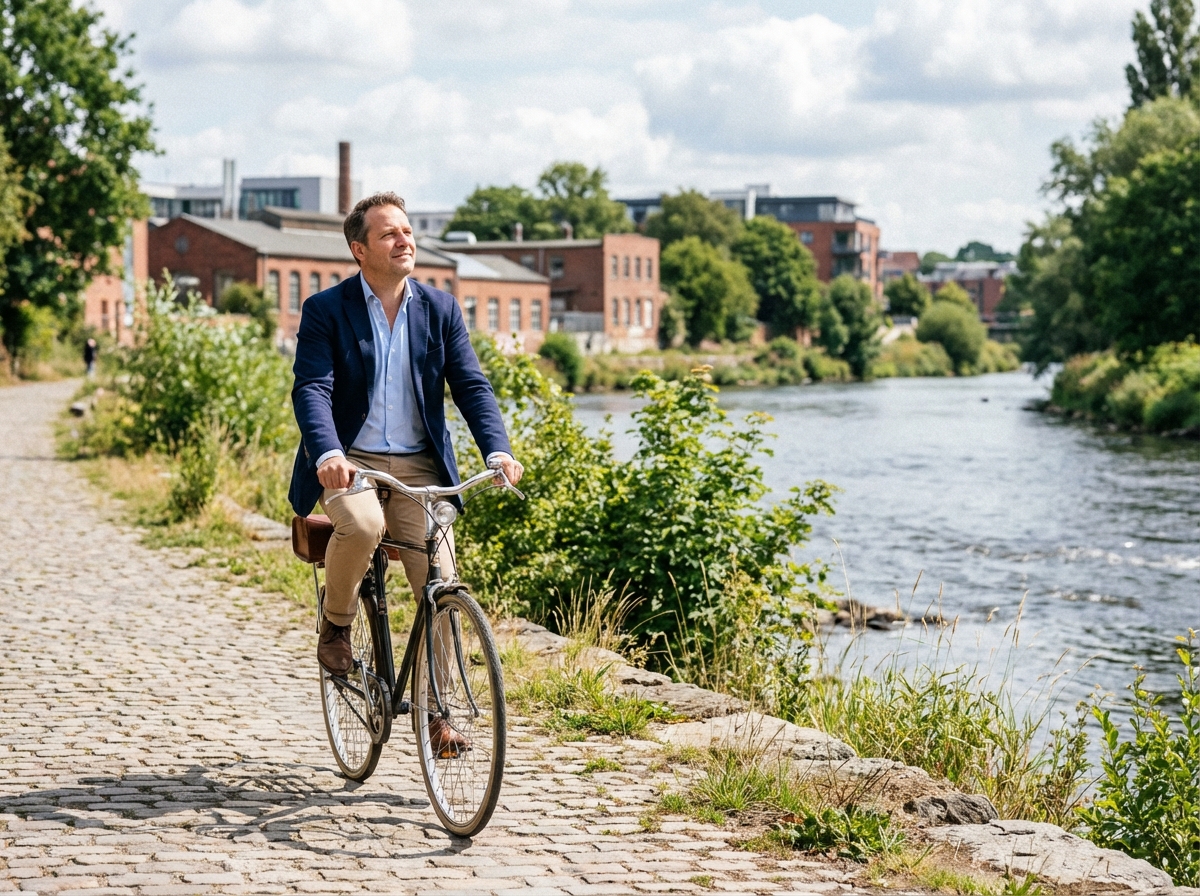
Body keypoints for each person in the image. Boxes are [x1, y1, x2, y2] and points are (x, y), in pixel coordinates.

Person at [288, 192, 522, 754]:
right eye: (390, 233)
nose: (405, 240)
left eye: (409, 231)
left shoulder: (439, 309)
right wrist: (327, 454)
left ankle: (438, 712)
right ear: (359, 249)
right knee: (363, 527)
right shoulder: (327, 310)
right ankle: (337, 625)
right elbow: (312, 388)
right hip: (351, 462)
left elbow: (470, 385)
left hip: (419, 466)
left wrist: (497, 450)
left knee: (438, 579)